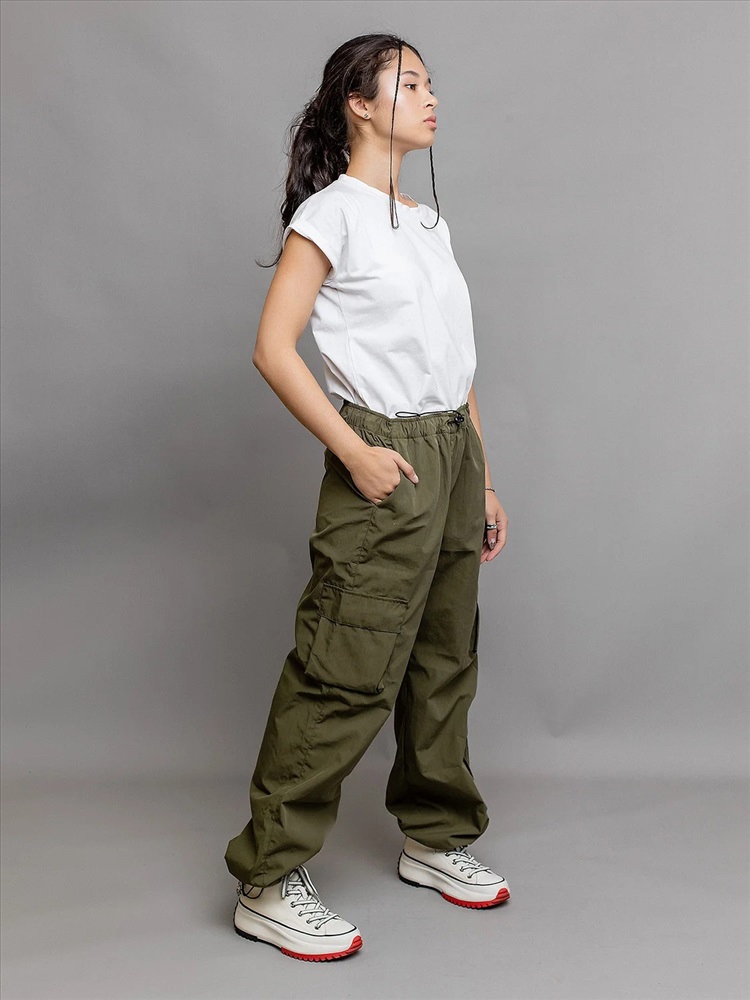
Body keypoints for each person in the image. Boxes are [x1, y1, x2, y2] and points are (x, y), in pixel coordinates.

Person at [224, 32, 510, 962]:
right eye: (410, 82)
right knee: (345, 665)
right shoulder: (330, 215)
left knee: (444, 657)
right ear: (358, 101)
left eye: (431, 83)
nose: (432, 98)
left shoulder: (428, 224)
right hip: (384, 455)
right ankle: (269, 879)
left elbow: (456, 362)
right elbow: (274, 348)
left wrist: (484, 476)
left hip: (452, 453)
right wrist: (354, 452)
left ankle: (434, 835)